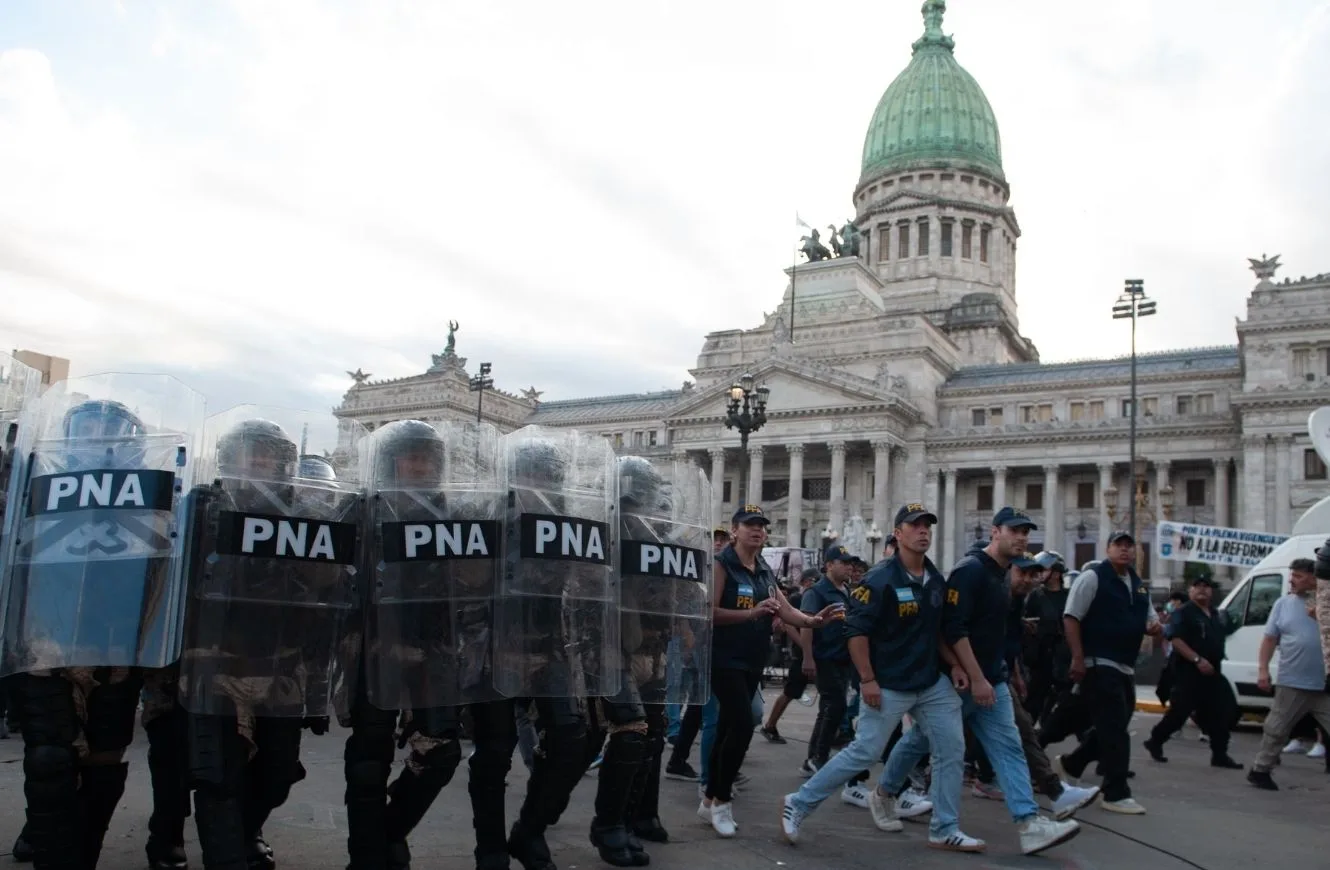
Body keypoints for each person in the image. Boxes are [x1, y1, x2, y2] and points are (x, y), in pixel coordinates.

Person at [874, 507, 1081, 855]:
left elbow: (995, 632)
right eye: (1015, 531)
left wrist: (1000, 674)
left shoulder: (1002, 575)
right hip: (959, 681)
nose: (1022, 538)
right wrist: (975, 676)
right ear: (995, 531)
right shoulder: (970, 572)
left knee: (1009, 746)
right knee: (921, 742)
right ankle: (884, 794)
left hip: (990, 678)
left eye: (1026, 533)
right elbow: (954, 629)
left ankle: (1029, 823)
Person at [779, 503, 963, 850]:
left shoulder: (935, 579)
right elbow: (856, 632)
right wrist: (866, 679)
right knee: (864, 752)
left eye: (927, 526)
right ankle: (799, 802)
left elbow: (938, 631)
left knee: (952, 747)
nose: (923, 531)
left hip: (930, 681)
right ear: (898, 533)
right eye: (915, 525)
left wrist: (953, 665)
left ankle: (945, 827)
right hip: (889, 682)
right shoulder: (879, 580)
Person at [703, 505, 838, 838]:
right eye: (750, 525)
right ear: (734, 530)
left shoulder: (762, 567)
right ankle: (721, 800)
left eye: (761, 526)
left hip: (752, 659)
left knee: (726, 729)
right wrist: (750, 614)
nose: (757, 531)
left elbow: (784, 608)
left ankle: (708, 798)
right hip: (724, 658)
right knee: (743, 723)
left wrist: (813, 621)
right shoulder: (722, 565)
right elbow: (708, 611)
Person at [1056, 532, 1162, 814]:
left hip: (1125, 665)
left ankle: (1072, 763)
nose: (1125, 551)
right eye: (1119, 545)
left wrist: (1154, 626)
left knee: (1112, 724)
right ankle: (1115, 792)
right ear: (1108, 549)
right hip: (1098, 662)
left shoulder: (1138, 586)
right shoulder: (1093, 578)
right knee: (1116, 728)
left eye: (1130, 546)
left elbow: (1150, 618)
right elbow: (1071, 616)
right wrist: (1078, 657)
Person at [1248, 559, 1330, 789]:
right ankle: (1260, 769)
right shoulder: (1283, 604)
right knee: (1276, 728)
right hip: (1293, 679)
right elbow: (1270, 639)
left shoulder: (1325, 604)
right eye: (1292, 575)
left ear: (1315, 579)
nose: (1292, 580)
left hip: (1324, 683)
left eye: (1299, 576)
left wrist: (1322, 617)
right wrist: (1263, 670)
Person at [1144, 576, 1241, 768]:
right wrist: (1197, 659)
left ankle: (1220, 754)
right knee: (1179, 713)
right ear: (1190, 591)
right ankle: (1156, 740)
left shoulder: (1215, 614)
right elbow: (1176, 639)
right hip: (1189, 671)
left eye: (1206, 587)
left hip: (1213, 670)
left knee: (1223, 711)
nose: (1202, 590)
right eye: (1197, 586)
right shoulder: (1184, 612)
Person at [796, 545, 856, 775]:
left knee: (828, 707)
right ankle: (818, 755)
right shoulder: (817, 591)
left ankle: (813, 757)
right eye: (844, 563)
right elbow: (807, 625)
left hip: (842, 657)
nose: (849, 567)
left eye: (850, 563)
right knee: (836, 705)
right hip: (824, 657)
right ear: (829, 565)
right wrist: (808, 657)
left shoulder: (846, 590)